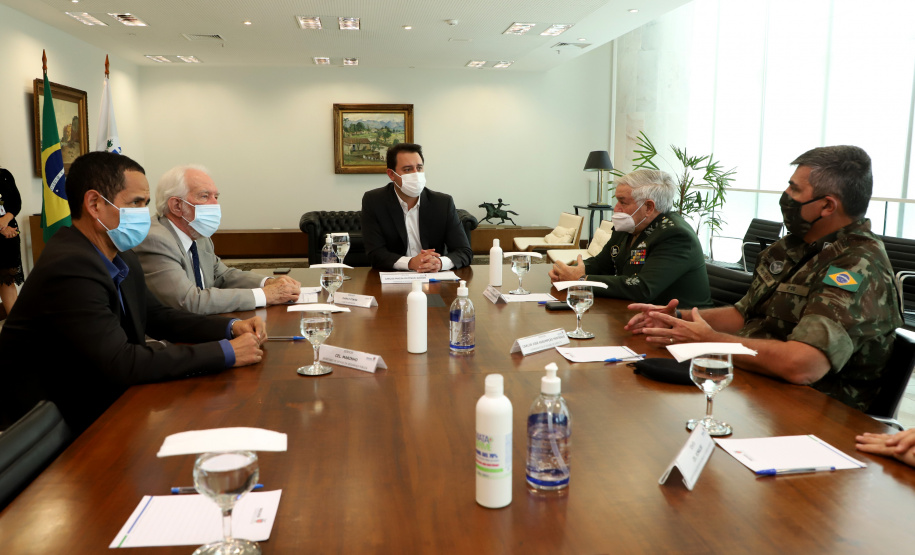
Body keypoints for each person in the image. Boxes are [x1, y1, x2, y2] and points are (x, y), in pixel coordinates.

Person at [0, 152, 266, 434]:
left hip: (102, 401)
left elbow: (157, 316)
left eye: (146, 203)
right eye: (135, 203)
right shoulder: (69, 266)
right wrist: (224, 353)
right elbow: (122, 361)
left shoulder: (122, 256)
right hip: (48, 428)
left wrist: (230, 327)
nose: (144, 213)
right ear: (94, 204)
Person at [626, 145, 902, 411]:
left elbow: (803, 365)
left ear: (827, 206)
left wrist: (710, 341)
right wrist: (678, 320)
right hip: (755, 389)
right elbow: (743, 314)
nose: (786, 195)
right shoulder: (791, 248)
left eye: (795, 188)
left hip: (816, 413)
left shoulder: (856, 265)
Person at [134, 165, 300, 314]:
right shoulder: (155, 240)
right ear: (177, 205)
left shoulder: (198, 234)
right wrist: (264, 295)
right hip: (169, 341)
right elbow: (190, 301)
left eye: (216, 196)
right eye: (205, 196)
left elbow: (223, 276)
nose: (215, 204)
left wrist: (268, 282)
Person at [548, 169, 712, 308]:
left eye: (622, 202)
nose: (616, 208)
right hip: (634, 313)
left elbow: (642, 288)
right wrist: (570, 270)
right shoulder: (630, 226)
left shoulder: (676, 236)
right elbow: (601, 264)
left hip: (680, 324)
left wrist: (582, 280)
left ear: (648, 207)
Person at [361, 143, 473, 272]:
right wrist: (410, 263)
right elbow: (375, 254)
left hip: (433, 278)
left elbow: (464, 251)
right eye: (408, 169)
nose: (416, 174)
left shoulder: (442, 203)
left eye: (419, 168)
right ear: (391, 174)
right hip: (393, 279)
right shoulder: (374, 201)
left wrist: (439, 263)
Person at [0, 166, 23, 313]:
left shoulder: (4, 174)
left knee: (7, 282)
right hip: (4, 231)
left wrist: (5, 221)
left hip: (9, 237)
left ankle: (15, 326)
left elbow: (16, 201)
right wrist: (1, 227)